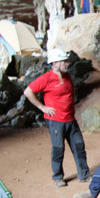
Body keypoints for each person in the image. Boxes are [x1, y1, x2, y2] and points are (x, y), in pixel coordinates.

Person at [24, 48, 90, 187]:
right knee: (58, 149)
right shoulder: (46, 78)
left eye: (66, 61)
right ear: (54, 63)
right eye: (63, 61)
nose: (67, 63)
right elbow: (28, 91)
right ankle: (58, 177)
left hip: (70, 119)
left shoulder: (67, 76)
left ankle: (83, 174)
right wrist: (43, 107)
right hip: (55, 121)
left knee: (79, 146)